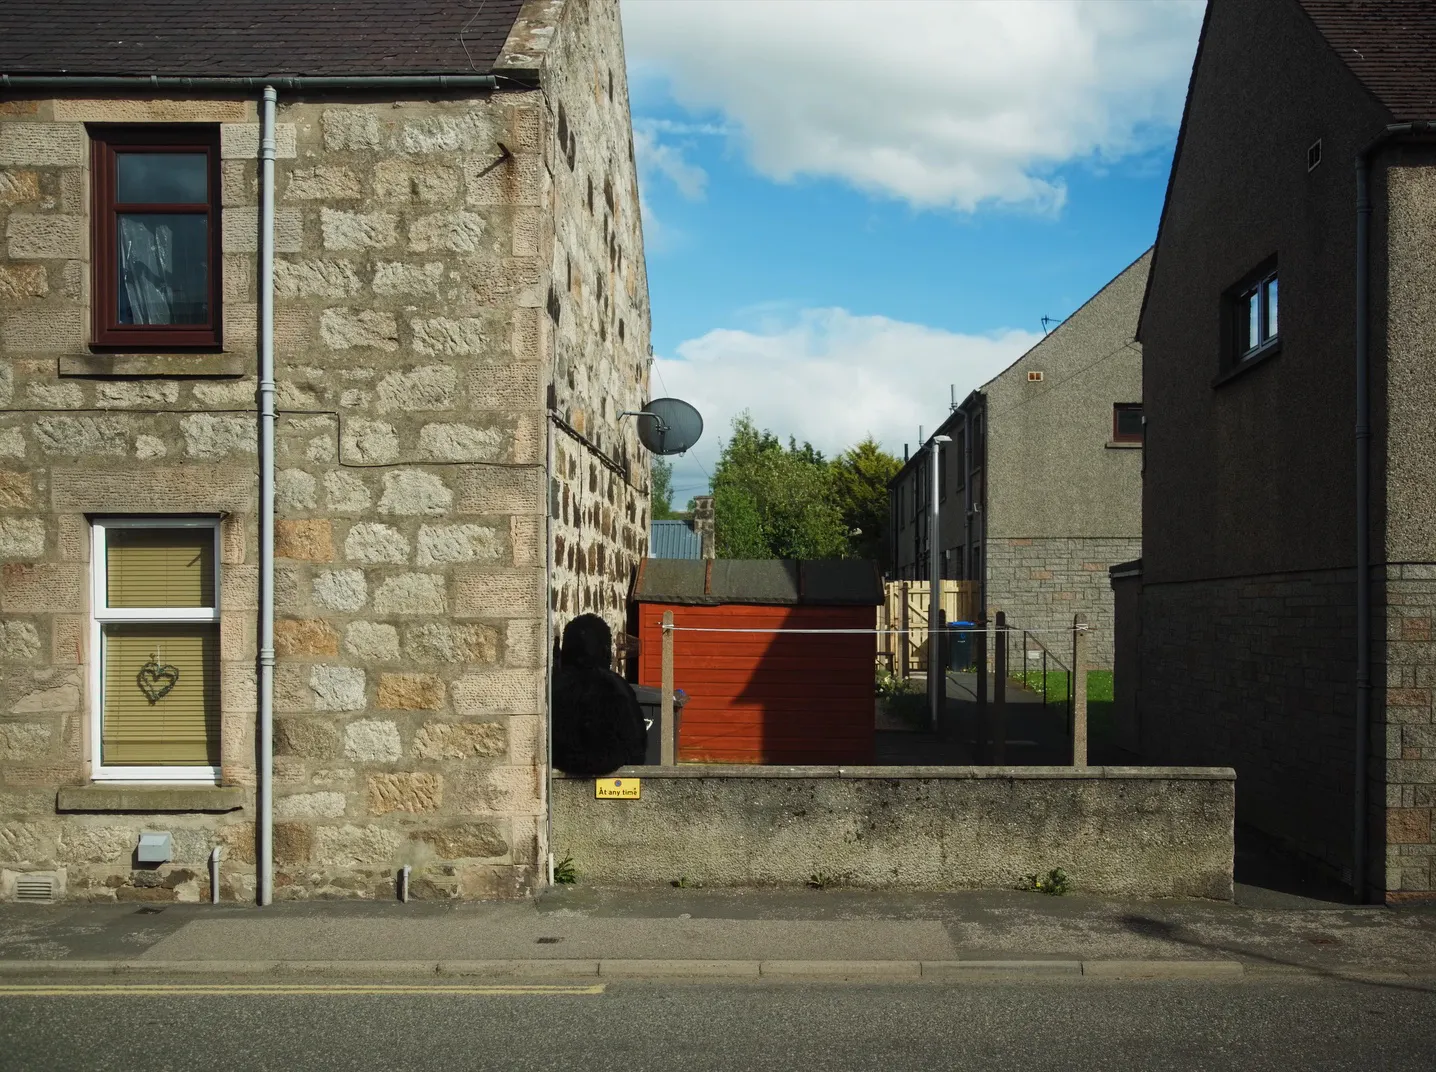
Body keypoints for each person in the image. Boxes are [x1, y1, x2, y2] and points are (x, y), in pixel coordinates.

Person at [551, 614, 646, 775]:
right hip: (611, 768)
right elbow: (636, 745)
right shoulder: (617, 686)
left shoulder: (555, 686)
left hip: (563, 765)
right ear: (605, 649)